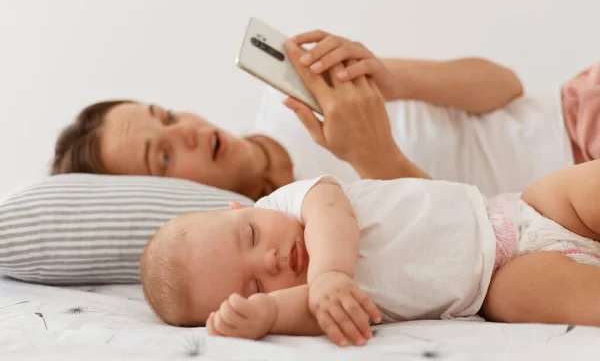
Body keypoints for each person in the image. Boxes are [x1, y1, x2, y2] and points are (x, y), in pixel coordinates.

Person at [50, 29, 597, 197]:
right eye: (163, 154)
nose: (188, 130)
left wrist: (392, 79)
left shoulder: (287, 97)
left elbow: (505, 85)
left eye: (166, 114)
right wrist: (374, 155)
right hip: (568, 208)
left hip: (574, 114)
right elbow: (464, 242)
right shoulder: (292, 234)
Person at [140, 157, 600, 347]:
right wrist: (266, 316)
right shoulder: (322, 303)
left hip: (521, 210)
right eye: (257, 284)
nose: (272, 260)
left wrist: (329, 273)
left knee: (582, 188)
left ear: (243, 208)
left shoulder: (292, 202)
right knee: (540, 296)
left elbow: (331, 212)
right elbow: (304, 310)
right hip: (496, 284)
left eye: (252, 237)